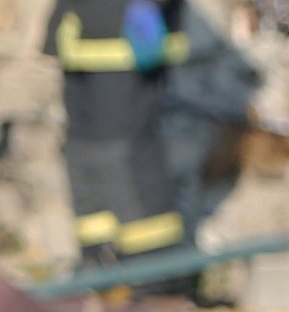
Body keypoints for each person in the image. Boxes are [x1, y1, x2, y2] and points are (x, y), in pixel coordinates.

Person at [45, 0, 193, 269]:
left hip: (130, 44)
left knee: (123, 155)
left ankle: (153, 273)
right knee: (85, 156)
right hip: (80, 39)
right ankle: (98, 264)